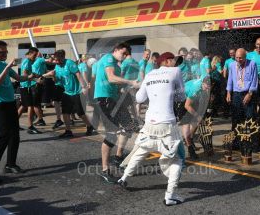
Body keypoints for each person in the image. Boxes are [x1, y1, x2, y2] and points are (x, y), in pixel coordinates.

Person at [118, 52, 186, 206]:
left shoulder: (150, 74)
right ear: (168, 61)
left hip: (150, 122)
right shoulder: (176, 71)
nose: (176, 64)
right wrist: (171, 93)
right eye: (174, 61)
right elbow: (182, 97)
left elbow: (139, 99)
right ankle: (170, 195)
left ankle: (124, 178)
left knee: (142, 150)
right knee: (177, 159)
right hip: (167, 123)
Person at [0, 40, 33, 184]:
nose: (5, 54)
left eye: (6, 52)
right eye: (2, 52)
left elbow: (18, 78)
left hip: (10, 103)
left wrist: (30, 77)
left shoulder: (3, 64)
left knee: (15, 134)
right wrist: (8, 67)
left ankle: (10, 164)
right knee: (3, 136)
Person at [94, 43, 138, 183]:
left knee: (130, 126)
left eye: (126, 54)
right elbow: (111, 78)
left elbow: (117, 84)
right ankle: (105, 170)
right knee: (111, 135)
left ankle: (118, 157)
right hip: (105, 99)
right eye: (123, 53)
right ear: (116, 50)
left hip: (115, 100)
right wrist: (131, 81)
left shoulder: (118, 66)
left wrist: (126, 89)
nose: (124, 56)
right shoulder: (108, 58)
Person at [42, 50, 94, 138]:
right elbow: (57, 81)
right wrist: (53, 76)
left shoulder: (70, 63)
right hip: (67, 92)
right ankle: (68, 130)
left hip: (77, 91)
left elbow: (78, 74)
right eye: (55, 60)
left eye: (58, 60)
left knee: (80, 112)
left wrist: (83, 87)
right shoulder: (57, 67)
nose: (56, 62)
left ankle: (89, 126)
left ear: (63, 57)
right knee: (65, 112)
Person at [226, 48, 259, 150]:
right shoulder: (232, 65)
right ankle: (236, 142)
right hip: (236, 94)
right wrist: (228, 92)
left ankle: (252, 144)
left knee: (250, 118)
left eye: (241, 58)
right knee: (236, 119)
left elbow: (254, 80)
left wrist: (250, 94)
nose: (238, 59)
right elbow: (230, 79)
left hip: (248, 93)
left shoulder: (252, 64)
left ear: (245, 57)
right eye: (237, 57)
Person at [181, 76, 211, 159]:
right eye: (206, 86)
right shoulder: (196, 89)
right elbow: (187, 106)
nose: (208, 88)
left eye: (209, 87)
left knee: (197, 122)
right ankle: (190, 149)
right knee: (186, 124)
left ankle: (189, 139)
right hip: (181, 99)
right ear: (202, 83)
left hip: (191, 98)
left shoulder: (204, 85)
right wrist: (197, 116)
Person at [17, 47, 42, 134]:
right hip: (26, 86)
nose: (35, 57)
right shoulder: (26, 61)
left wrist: (36, 75)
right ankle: (30, 126)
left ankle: (14, 124)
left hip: (25, 86)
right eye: (34, 55)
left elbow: (30, 73)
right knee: (30, 106)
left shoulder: (30, 61)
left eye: (36, 56)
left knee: (23, 106)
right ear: (30, 53)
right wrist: (36, 80)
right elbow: (24, 74)